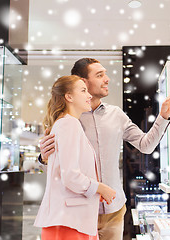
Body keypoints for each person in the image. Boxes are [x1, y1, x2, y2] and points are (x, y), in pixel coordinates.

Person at [39, 58, 170, 240]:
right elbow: (59, 171)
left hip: (114, 209)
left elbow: (146, 145)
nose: (107, 79)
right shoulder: (67, 120)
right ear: (81, 81)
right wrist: (43, 158)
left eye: (105, 73)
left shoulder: (116, 115)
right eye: (99, 75)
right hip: (78, 211)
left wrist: (163, 116)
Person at [34, 75, 116, 240]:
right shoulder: (69, 124)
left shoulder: (66, 124)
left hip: (71, 220)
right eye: (83, 90)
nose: (89, 95)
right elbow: (70, 176)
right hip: (70, 222)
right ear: (69, 96)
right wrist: (101, 188)